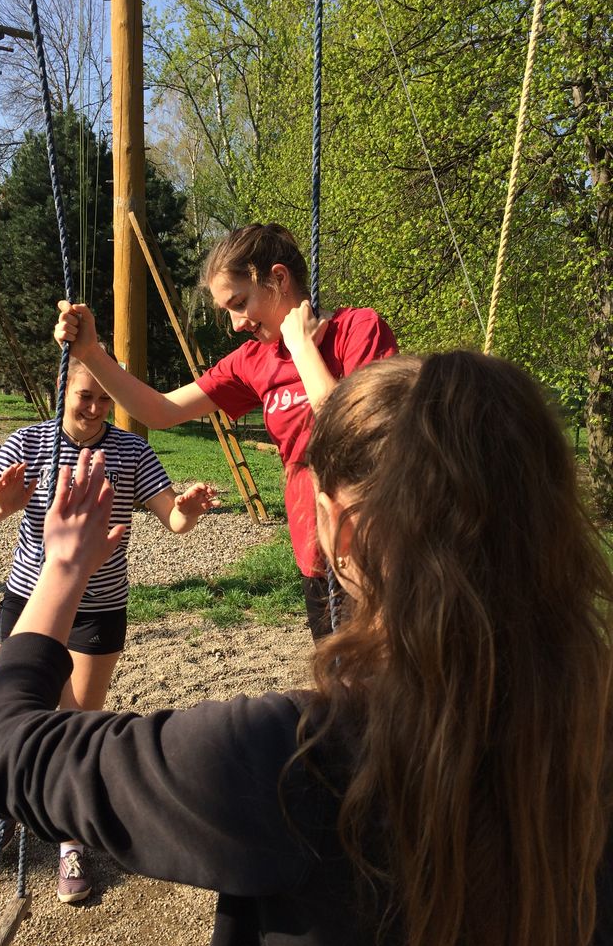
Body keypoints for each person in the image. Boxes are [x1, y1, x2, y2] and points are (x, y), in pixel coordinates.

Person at [0, 350, 613, 946]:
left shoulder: (290, 757)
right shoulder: (590, 729)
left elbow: (2, 748)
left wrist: (64, 567)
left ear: (339, 531)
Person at [53, 223, 398, 641]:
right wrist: (91, 354)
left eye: (239, 303)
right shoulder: (253, 360)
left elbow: (351, 434)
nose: (236, 324)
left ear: (278, 278)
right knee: (339, 676)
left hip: (375, 550)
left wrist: (302, 348)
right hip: (314, 554)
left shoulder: (358, 330)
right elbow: (160, 411)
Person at [0, 352, 218, 903]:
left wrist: (188, 509)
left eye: (106, 398)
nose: (97, 408)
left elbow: (172, 518)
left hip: (99, 605)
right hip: (28, 599)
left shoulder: (131, 450)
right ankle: (6, 809)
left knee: (77, 720)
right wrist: (2, 506)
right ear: (63, 387)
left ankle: (70, 839)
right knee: (1, 704)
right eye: (86, 395)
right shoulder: (29, 442)